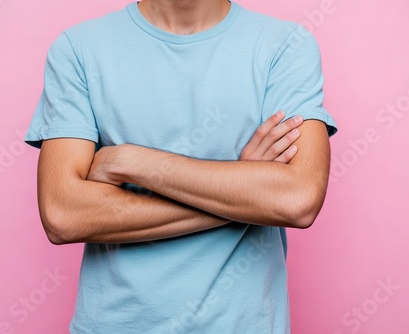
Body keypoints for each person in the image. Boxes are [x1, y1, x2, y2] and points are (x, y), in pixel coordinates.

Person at [24, 0, 337, 332]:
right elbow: (63, 215)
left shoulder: (285, 46)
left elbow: (297, 199)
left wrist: (131, 161)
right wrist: (244, 192)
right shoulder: (77, 49)